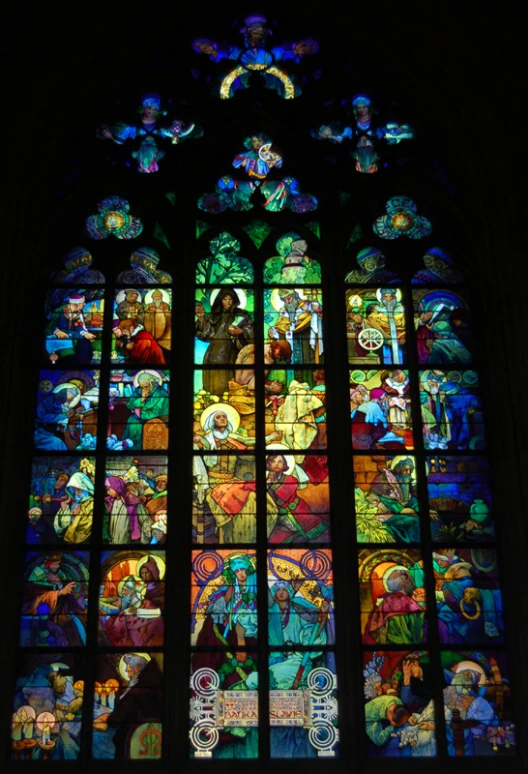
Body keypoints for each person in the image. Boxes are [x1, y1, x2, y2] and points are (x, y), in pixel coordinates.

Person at [100, 654, 163, 760]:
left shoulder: (137, 692)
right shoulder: (155, 688)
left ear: (137, 669)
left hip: (132, 743)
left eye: (129, 671)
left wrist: (108, 719)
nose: (128, 675)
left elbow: (117, 718)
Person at [195, 288, 254, 397]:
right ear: (220, 300)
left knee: (229, 382)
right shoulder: (214, 315)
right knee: (213, 387)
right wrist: (201, 318)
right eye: (225, 299)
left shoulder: (242, 314)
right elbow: (205, 334)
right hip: (213, 353)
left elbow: (252, 331)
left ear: (234, 300)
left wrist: (241, 332)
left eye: (230, 299)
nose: (228, 302)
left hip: (232, 353)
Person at [21, 554, 87, 647]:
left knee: (77, 623)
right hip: (42, 614)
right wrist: (59, 592)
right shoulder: (37, 575)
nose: (58, 566)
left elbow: (65, 594)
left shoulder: (59, 574)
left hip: (59, 609)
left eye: (59, 563)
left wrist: (60, 585)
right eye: (55, 564)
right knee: (64, 628)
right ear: (46, 563)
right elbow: (37, 598)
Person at [266, 455, 330, 543]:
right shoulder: (267, 482)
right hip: (282, 521)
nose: (277, 464)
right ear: (268, 465)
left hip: (300, 513)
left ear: (284, 465)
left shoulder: (291, 479)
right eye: (273, 461)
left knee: (317, 538)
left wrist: (274, 484)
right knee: (273, 541)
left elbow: (284, 496)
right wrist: (266, 485)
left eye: (280, 461)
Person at [364, 566, 426, 645]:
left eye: (396, 575)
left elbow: (375, 627)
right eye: (392, 576)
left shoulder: (388, 600)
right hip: (403, 645)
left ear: (405, 583)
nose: (393, 576)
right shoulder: (404, 602)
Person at [102, 571, 164, 648]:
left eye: (124, 590)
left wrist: (106, 618)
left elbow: (115, 634)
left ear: (131, 592)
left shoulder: (127, 613)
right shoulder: (147, 604)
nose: (122, 593)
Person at [45, 293, 97, 365]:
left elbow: (79, 326)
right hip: (60, 339)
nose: (85, 304)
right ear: (76, 305)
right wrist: (57, 331)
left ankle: (82, 366)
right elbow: (49, 326)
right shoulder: (59, 311)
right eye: (83, 303)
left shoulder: (78, 313)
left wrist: (85, 334)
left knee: (85, 343)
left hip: (72, 335)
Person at [123, 372, 169, 448]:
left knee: (137, 425)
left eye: (146, 387)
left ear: (153, 383)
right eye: (141, 387)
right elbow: (129, 404)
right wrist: (142, 399)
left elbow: (154, 412)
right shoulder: (139, 390)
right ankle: (129, 449)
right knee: (132, 421)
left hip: (156, 421)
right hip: (138, 418)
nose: (143, 390)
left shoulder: (161, 394)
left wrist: (139, 411)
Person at [35, 383, 83, 450]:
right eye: (71, 398)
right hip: (41, 434)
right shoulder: (50, 401)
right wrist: (65, 415)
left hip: (52, 432)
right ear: (64, 394)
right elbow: (42, 417)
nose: (71, 401)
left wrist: (75, 413)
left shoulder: (61, 404)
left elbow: (68, 414)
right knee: (58, 444)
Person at [54, 471, 94, 543]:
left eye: (79, 489)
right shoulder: (72, 503)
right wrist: (65, 509)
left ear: (86, 488)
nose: (76, 493)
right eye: (74, 490)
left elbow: (85, 530)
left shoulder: (92, 504)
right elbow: (59, 530)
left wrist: (75, 516)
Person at [104, 476, 130, 544]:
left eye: (108, 489)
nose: (107, 492)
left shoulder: (130, 503)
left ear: (116, 487)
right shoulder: (113, 502)